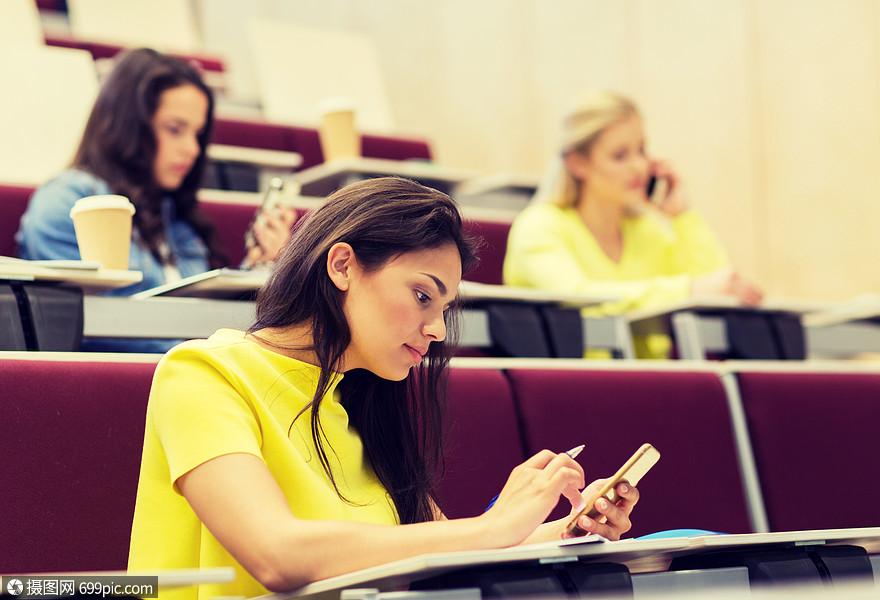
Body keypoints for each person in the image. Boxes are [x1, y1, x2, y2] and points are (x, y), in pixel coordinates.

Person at [127, 177, 641, 600]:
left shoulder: (360, 401)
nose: (438, 330)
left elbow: (433, 548)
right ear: (342, 265)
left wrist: (571, 529)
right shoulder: (201, 373)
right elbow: (278, 556)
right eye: (422, 295)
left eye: (444, 310)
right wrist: (496, 525)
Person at [15, 47, 295, 351]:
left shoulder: (173, 211)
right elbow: (97, 328)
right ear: (127, 126)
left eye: (197, 134)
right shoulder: (68, 203)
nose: (193, 149)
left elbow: (194, 314)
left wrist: (262, 266)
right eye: (175, 129)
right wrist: (222, 352)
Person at [503, 91, 763, 358]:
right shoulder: (538, 227)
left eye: (641, 150)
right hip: (569, 390)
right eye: (620, 155)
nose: (640, 166)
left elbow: (723, 291)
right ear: (578, 163)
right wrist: (686, 290)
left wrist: (683, 218)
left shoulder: (649, 231)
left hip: (650, 389)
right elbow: (578, 296)